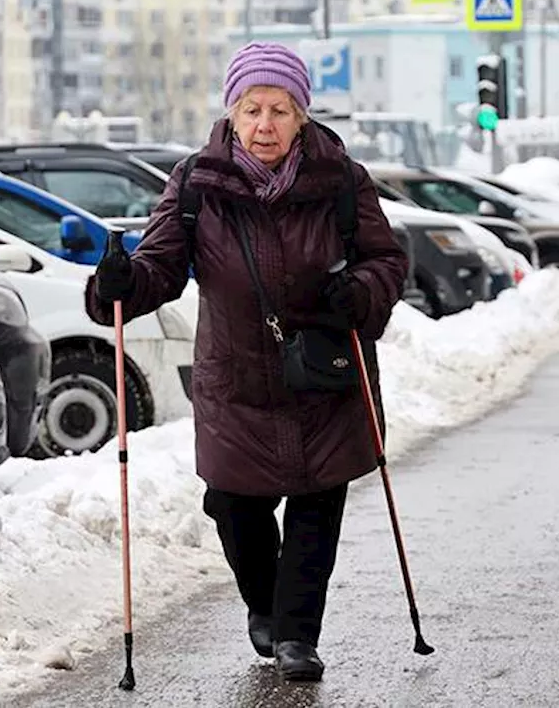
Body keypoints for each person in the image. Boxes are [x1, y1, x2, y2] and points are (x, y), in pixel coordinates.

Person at [84, 41, 408, 683]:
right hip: (236, 376)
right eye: (253, 108)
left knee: (319, 501)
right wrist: (121, 283)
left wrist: (361, 292)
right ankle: (264, 604)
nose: (266, 125)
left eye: (281, 110)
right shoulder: (198, 184)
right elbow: (162, 267)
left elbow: (388, 261)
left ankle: (295, 635)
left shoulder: (341, 180)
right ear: (232, 113)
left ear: (303, 116)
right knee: (233, 502)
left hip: (323, 372)